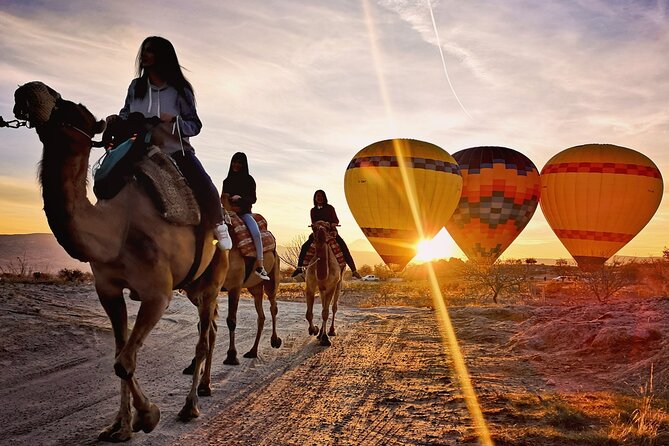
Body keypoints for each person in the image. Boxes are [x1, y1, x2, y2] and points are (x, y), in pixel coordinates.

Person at [107, 36, 232, 251]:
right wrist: (117, 120)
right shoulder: (136, 86)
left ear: (163, 57)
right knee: (109, 175)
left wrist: (174, 121)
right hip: (138, 148)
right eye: (144, 50)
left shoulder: (180, 89)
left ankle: (219, 225)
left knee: (201, 180)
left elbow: (195, 125)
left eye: (151, 51)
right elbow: (126, 112)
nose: (144, 55)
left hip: (174, 150)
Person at [292, 190, 362, 279]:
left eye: (321, 196)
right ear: (315, 198)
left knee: (343, 247)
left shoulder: (330, 208)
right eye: (317, 196)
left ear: (324, 197)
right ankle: (299, 268)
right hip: (317, 233)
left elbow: (336, 221)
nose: (319, 198)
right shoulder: (313, 210)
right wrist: (318, 225)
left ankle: (354, 270)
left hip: (330, 232)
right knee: (304, 246)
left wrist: (331, 224)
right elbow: (313, 222)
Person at [222, 152, 270, 280]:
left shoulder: (249, 180)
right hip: (228, 213)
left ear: (243, 165)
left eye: (239, 163)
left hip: (244, 214)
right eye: (234, 162)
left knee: (255, 233)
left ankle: (260, 265)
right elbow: (223, 197)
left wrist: (241, 199)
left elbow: (253, 199)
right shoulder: (226, 181)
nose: (236, 165)